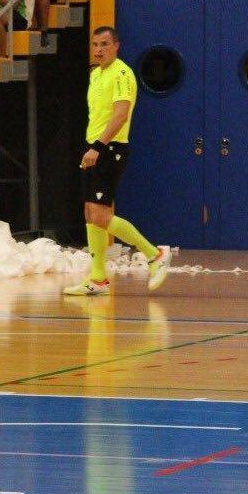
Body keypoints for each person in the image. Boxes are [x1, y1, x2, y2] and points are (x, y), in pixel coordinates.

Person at [64, 26, 171, 296]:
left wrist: (98, 147)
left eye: (104, 44)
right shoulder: (95, 74)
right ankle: (98, 279)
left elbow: (120, 115)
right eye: (95, 45)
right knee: (90, 213)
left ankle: (154, 254)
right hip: (93, 146)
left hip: (110, 148)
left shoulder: (122, 73)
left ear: (116, 46)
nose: (99, 50)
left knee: (101, 214)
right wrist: (91, 146)